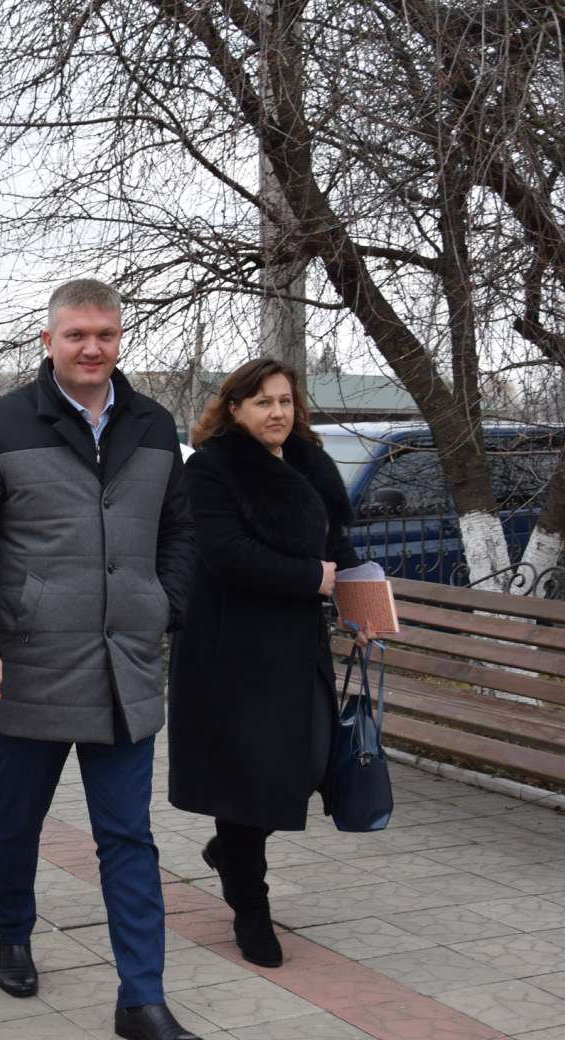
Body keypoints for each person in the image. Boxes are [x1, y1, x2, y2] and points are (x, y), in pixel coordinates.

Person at [0, 280, 205, 1040]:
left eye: (105, 335)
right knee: (17, 816)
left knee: (128, 836)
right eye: (77, 334)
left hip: (125, 667)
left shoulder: (153, 425)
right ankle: (13, 933)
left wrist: (162, 604)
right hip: (31, 662)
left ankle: (142, 998)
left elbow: (181, 528)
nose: (92, 348)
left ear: (120, 339)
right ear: (48, 341)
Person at [166, 358, 370, 969]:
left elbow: (339, 548)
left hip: (298, 648)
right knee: (248, 783)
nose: (277, 412)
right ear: (234, 409)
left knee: (307, 763)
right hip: (233, 652)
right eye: (262, 402)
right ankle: (249, 907)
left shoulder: (308, 461)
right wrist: (312, 578)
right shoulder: (212, 468)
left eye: (284, 400)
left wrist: (363, 608)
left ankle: (229, 854)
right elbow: (226, 553)